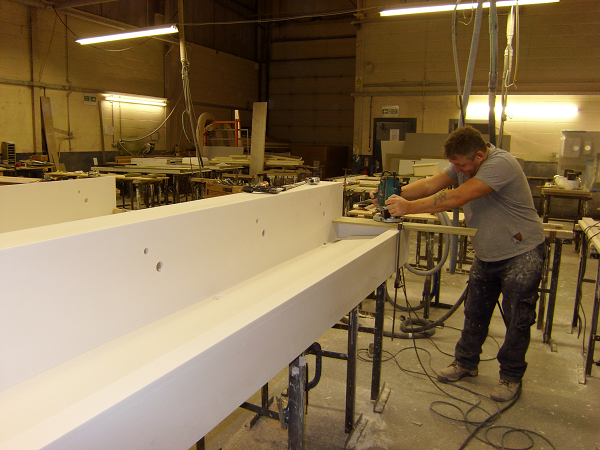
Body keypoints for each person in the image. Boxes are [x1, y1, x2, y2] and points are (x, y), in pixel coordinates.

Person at [381, 125, 545, 402]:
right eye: (454, 164)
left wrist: (408, 208)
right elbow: (431, 185)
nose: (458, 169)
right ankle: (466, 363)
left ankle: (511, 376)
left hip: (521, 252)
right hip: (488, 253)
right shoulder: (463, 164)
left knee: (518, 319)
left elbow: (458, 196)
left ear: (479, 156)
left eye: (462, 164)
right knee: (475, 311)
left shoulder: (501, 164)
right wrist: (394, 193)